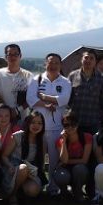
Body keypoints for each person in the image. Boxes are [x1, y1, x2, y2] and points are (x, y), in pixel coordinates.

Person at [27, 52, 72, 195]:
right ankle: (38, 186)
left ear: (60, 65)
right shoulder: (36, 79)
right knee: (37, 159)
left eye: (56, 63)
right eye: (50, 63)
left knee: (54, 160)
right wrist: (46, 104)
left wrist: (45, 97)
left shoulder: (65, 82)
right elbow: (31, 99)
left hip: (57, 128)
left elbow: (63, 100)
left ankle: (53, 188)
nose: (53, 66)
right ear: (45, 64)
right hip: (37, 128)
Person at [2, 110, 45, 205]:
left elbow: (40, 162)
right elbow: (4, 156)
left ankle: (20, 192)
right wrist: (9, 166)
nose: (36, 126)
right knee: (23, 168)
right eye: (33, 122)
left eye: (39, 123)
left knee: (33, 191)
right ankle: (12, 195)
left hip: (30, 172)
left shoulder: (42, 140)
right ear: (28, 123)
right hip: (14, 169)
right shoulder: (18, 136)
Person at [67, 48, 103, 137]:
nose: (88, 60)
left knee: (93, 149)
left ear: (95, 62)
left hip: (94, 122)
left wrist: (101, 119)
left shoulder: (102, 79)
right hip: (75, 122)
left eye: (91, 58)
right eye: (86, 58)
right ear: (81, 60)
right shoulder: (72, 76)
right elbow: (67, 99)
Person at [52, 111, 93, 201]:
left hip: (79, 170)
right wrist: (63, 142)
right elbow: (64, 159)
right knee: (61, 176)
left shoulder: (87, 137)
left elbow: (84, 160)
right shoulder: (60, 140)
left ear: (77, 124)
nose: (70, 127)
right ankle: (64, 192)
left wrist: (65, 162)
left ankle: (78, 191)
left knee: (79, 169)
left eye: (73, 124)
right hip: (66, 170)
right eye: (66, 125)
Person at [0, 44, 32, 124]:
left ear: (20, 56)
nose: (13, 57)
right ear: (5, 57)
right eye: (10, 54)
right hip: (2, 120)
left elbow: (32, 97)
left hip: (23, 120)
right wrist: (8, 112)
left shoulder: (28, 75)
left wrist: (17, 110)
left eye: (16, 54)